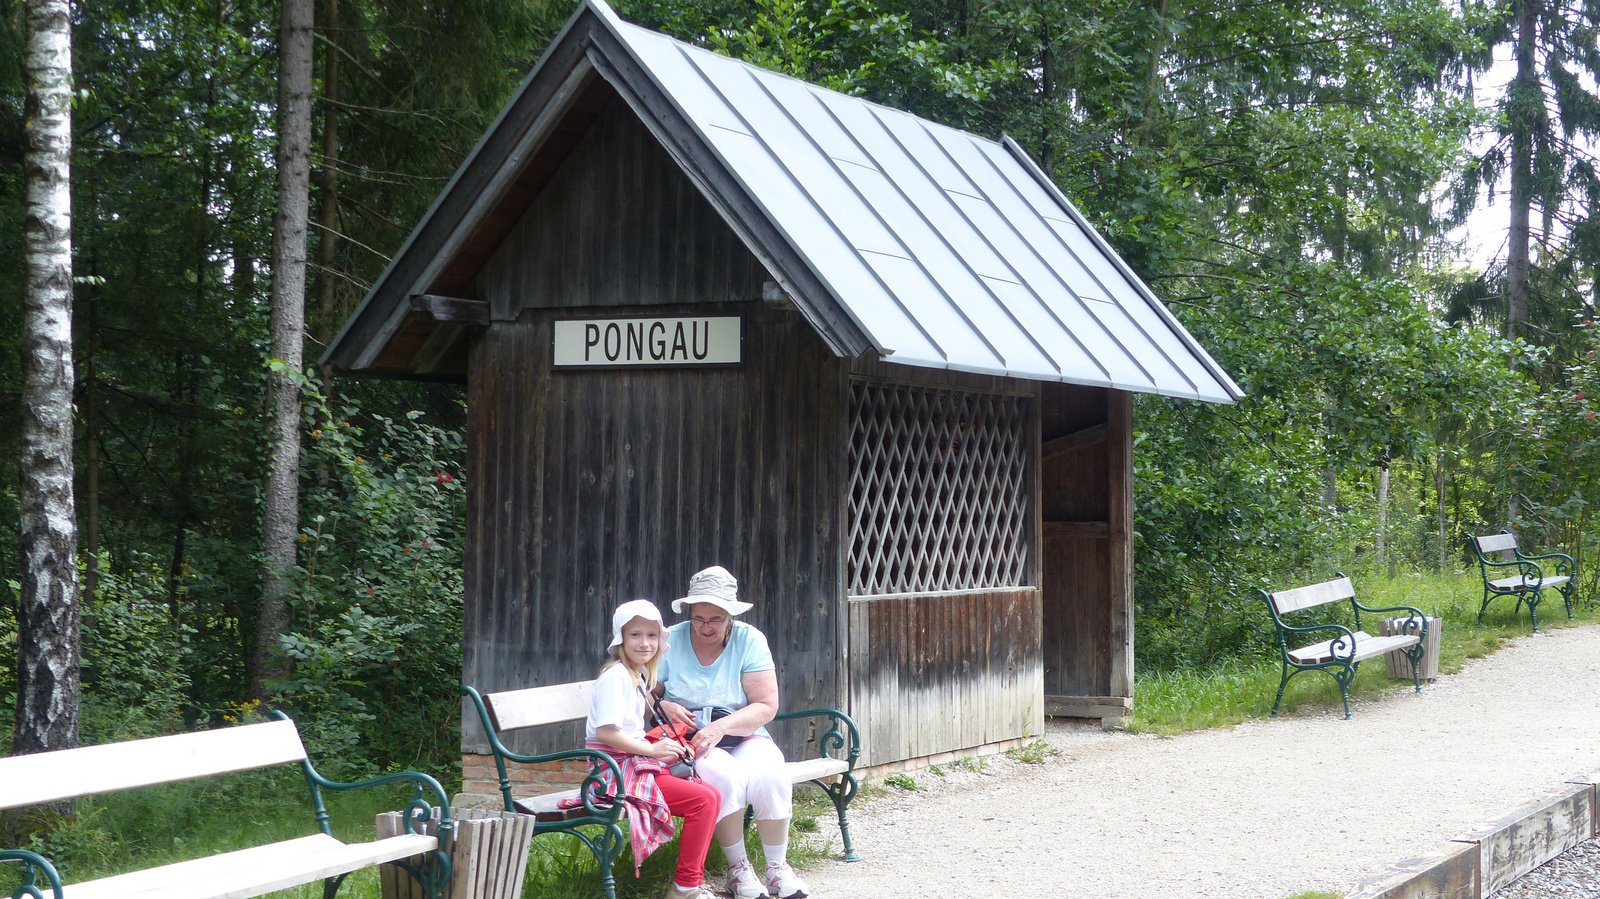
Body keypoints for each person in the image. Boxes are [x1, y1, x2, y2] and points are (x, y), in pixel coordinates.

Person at [656, 566, 810, 899]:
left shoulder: (749, 639)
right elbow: (641, 693)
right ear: (689, 613)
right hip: (691, 740)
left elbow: (766, 705)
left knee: (772, 774)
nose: (706, 627)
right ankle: (737, 869)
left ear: (730, 616)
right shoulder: (670, 639)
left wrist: (721, 726)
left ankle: (777, 867)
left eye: (716, 619)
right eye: (699, 618)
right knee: (721, 774)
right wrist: (664, 706)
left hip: (742, 733)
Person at [587, 599, 723, 899]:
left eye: (651, 636)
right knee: (703, 800)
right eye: (635, 635)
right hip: (613, 770)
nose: (644, 643)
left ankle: (688, 884)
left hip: (630, 761)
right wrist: (652, 751)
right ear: (621, 639)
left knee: (711, 795)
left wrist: (668, 745)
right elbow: (606, 733)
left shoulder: (636, 675)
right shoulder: (616, 677)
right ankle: (686, 887)